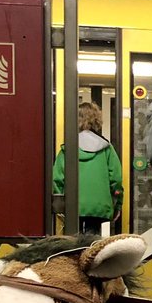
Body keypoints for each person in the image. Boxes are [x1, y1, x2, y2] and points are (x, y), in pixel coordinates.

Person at [52, 101, 124, 236]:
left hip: (73, 206)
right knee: (93, 241)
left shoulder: (67, 149)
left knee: (73, 241)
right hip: (100, 206)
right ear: (97, 120)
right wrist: (117, 204)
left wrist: (61, 204)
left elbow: (57, 179)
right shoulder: (107, 149)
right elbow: (116, 179)